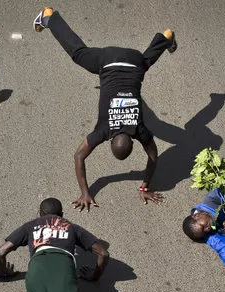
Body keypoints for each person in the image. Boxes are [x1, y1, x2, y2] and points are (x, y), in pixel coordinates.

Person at [33, 8, 177, 211]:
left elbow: (154, 156)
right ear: (110, 142)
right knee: (77, 53)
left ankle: (166, 38)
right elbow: (78, 156)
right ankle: (49, 17)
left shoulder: (139, 130)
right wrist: (85, 193)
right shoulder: (104, 130)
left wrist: (145, 186)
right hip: (107, 61)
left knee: (145, 63)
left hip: (135, 61)